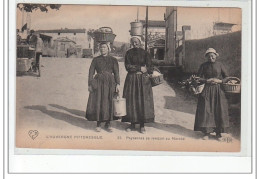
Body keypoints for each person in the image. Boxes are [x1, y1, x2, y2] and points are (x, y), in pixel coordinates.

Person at [194, 48, 230, 141]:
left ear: (216, 55)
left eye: (212, 55)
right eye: (209, 56)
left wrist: (220, 81)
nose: (211, 57)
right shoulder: (203, 66)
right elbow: (198, 78)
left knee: (219, 110)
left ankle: (218, 133)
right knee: (206, 110)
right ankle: (206, 132)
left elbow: (227, 77)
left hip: (218, 90)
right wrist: (206, 80)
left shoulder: (220, 65)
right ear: (206, 57)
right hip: (207, 90)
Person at [122, 36, 155, 134]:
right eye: (133, 42)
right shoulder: (128, 53)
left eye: (136, 42)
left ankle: (142, 125)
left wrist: (146, 69)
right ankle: (132, 124)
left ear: (140, 42)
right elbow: (128, 67)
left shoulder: (145, 53)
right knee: (132, 100)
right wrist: (140, 68)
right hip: (132, 79)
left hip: (143, 80)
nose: (135, 44)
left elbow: (150, 67)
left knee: (142, 101)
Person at [86, 42, 120, 132]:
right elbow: (91, 72)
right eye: (101, 47)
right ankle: (98, 123)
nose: (102, 49)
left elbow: (116, 73)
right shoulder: (95, 60)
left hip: (110, 83)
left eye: (104, 47)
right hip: (99, 82)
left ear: (108, 48)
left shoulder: (113, 60)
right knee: (99, 101)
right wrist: (90, 84)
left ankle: (108, 123)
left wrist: (118, 84)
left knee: (109, 102)